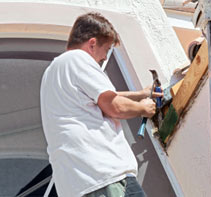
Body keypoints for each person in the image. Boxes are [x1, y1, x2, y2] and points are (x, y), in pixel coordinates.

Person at [40, 12, 162, 197]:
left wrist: (140, 94)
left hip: (81, 184)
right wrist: (144, 108)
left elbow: (94, 97)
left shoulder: (55, 71)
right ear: (92, 43)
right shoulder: (78, 59)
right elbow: (114, 106)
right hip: (104, 176)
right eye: (106, 51)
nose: (104, 58)